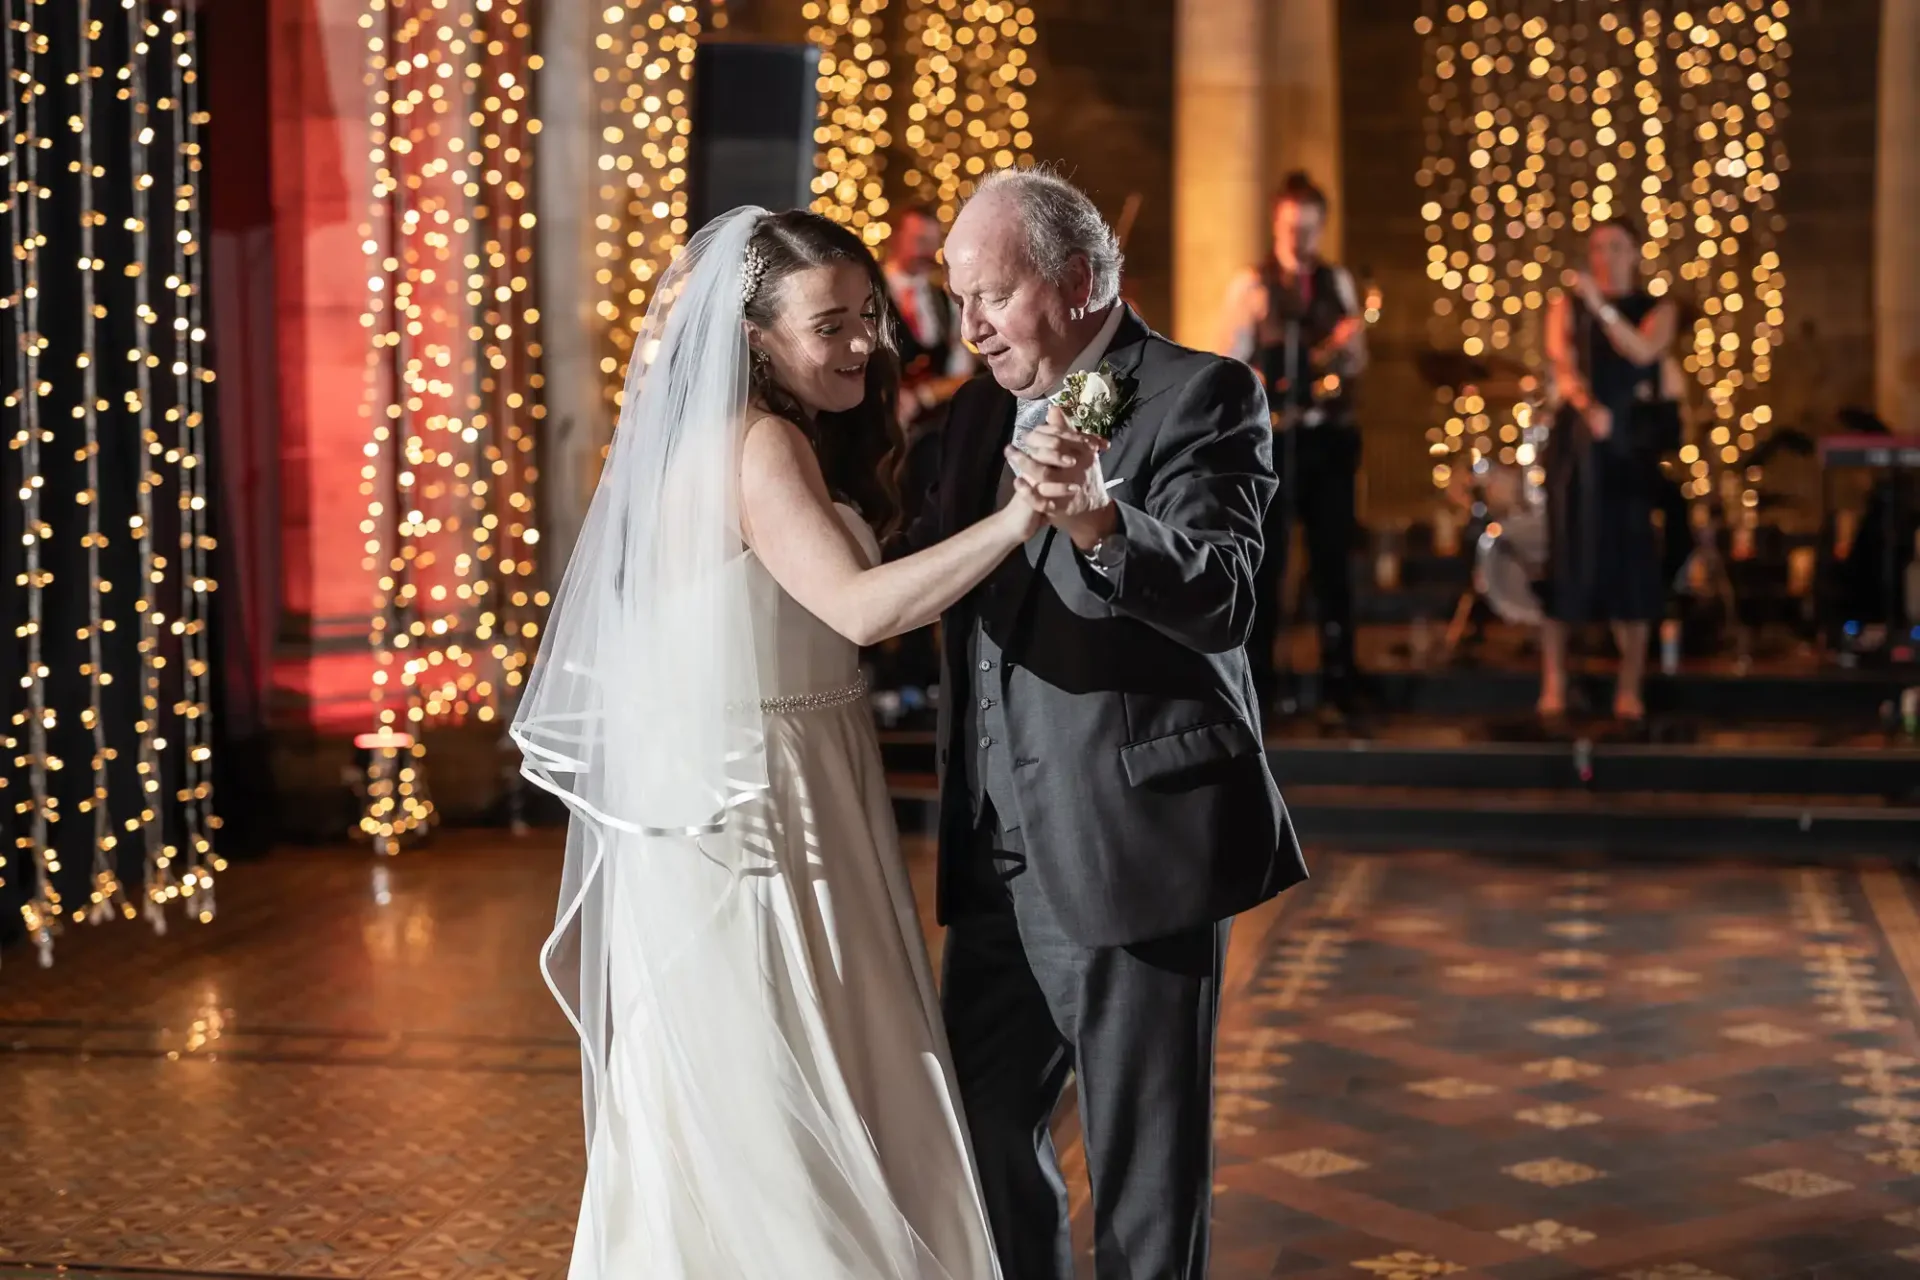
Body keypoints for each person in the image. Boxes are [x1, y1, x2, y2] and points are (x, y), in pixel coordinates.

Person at [513, 207, 1041, 1279]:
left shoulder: (754, 435)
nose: (862, 344)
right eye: (830, 324)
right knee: (788, 1075)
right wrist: (1022, 517)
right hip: (767, 806)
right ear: (754, 335)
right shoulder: (757, 445)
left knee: (799, 1065)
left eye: (866, 319)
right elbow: (857, 608)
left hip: (786, 777)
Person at [896, 167, 1307, 1280]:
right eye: (958, 296)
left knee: (1144, 1170)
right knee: (980, 1128)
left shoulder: (1199, 394)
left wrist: (1102, 522)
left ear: (1078, 282)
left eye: (992, 295)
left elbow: (1222, 592)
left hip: (1129, 833)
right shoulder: (980, 406)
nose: (968, 326)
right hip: (994, 849)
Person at [1216, 171, 1369, 718]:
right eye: (1290, 231)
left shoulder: (1338, 282)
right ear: (1277, 225)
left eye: (1308, 231)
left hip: (1328, 436)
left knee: (1334, 561)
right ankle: (1259, 681)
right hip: (1274, 441)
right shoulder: (1252, 283)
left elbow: (1358, 363)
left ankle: (1339, 678)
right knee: (1267, 563)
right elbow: (1226, 363)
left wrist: (1349, 349)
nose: (1299, 242)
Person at [1539, 216, 1679, 723]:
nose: (1605, 257)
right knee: (1568, 556)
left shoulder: (1656, 310)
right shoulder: (1567, 307)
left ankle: (1630, 685)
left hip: (1629, 443)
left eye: (1616, 247)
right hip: (1579, 440)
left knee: (1633, 563)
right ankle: (1554, 682)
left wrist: (1601, 307)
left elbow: (1642, 350)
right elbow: (1563, 360)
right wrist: (1583, 403)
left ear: (1636, 253)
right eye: (1597, 248)